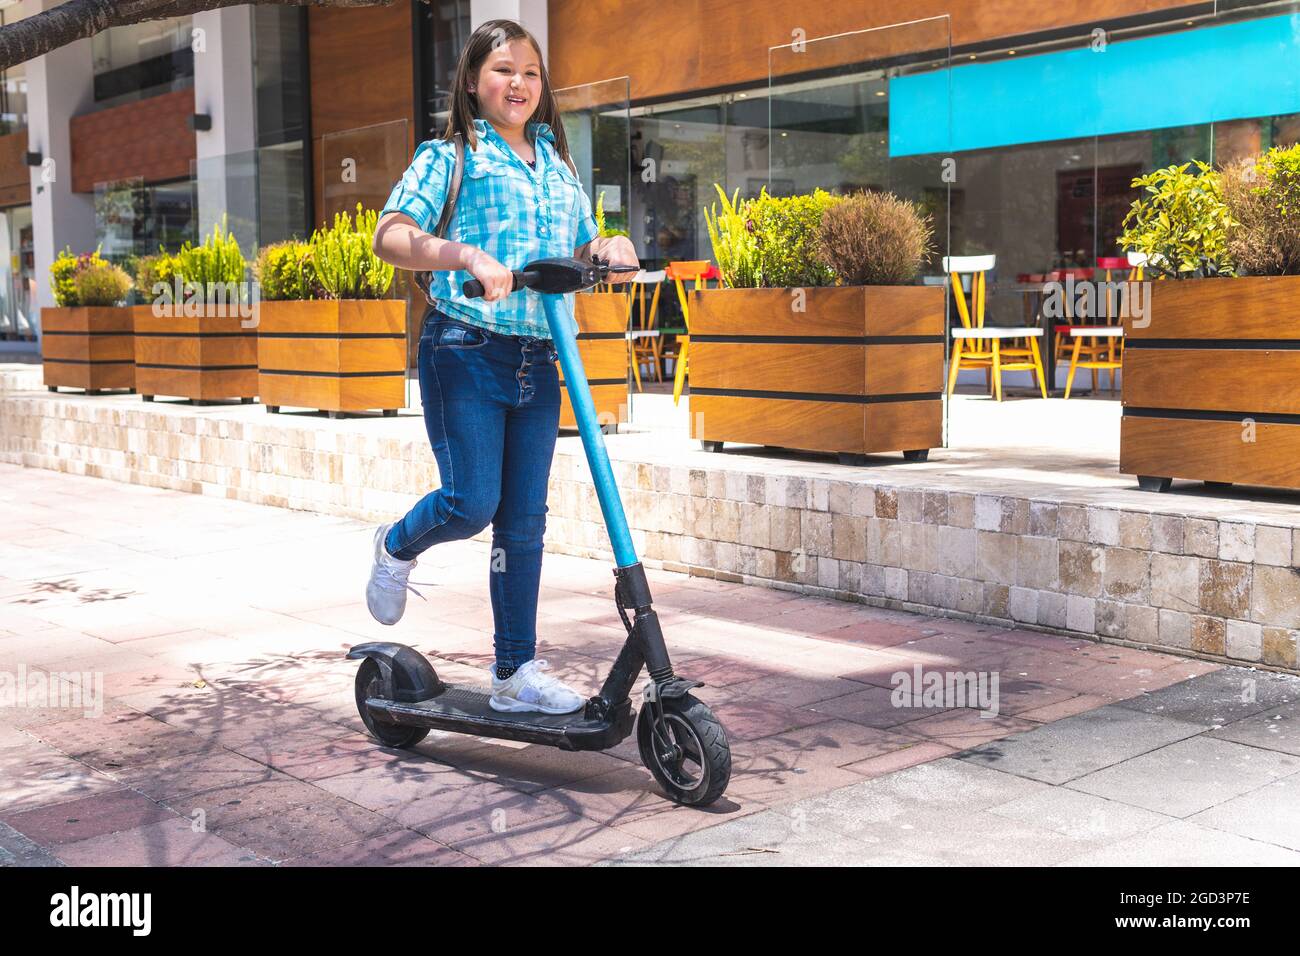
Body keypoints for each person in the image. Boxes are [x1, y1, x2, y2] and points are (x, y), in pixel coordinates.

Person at [367, 18, 639, 715]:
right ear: (470, 80)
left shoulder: (556, 163)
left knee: (523, 524)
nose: (518, 84)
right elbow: (390, 235)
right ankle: (397, 545)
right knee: (471, 503)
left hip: (541, 355)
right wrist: (465, 256)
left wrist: (609, 247)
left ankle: (514, 674)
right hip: (465, 347)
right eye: (502, 70)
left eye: (530, 73)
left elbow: (582, 247)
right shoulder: (450, 154)